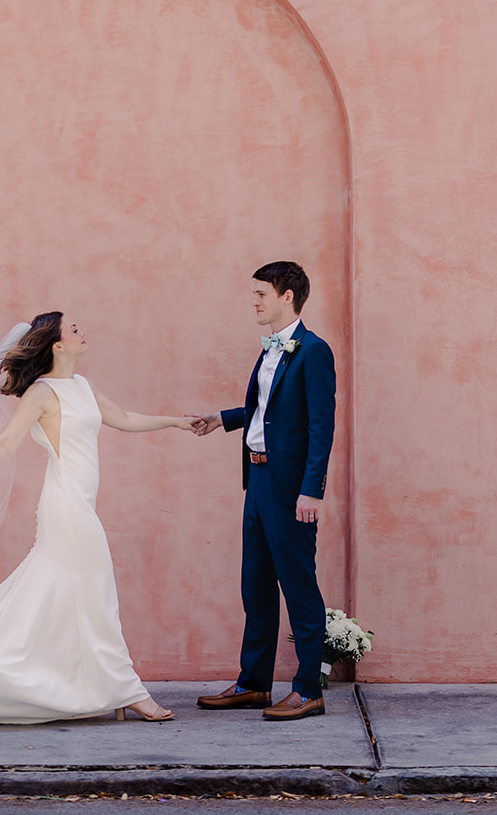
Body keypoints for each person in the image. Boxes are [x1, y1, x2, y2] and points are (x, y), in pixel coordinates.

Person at [0, 311, 191, 727]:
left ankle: (4, 671)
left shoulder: (83, 387)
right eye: (74, 329)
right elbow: (5, 442)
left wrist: (177, 422)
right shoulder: (42, 393)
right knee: (97, 594)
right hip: (65, 506)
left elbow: (123, 419)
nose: (83, 331)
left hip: (81, 503)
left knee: (66, 595)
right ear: (57, 344)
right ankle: (130, 692)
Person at [190, 261, 336, 721]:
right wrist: (224, 419)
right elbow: (266, 410)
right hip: (256, 482)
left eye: (260, 294)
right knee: (255, 586)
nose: (254, 302)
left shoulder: (314, 351)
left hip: (290, 487)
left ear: (286, 296)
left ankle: (308, 688)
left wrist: (312, 490)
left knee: (298, 586)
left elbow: (320, 426)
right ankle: (254, 684)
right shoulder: (270, 351)